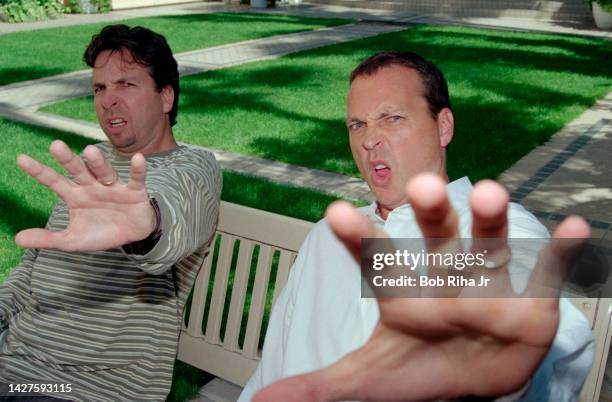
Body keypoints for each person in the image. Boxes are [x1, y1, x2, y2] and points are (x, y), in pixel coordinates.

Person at [239, 52, 593, 402]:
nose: (368, 140)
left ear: (443, 127)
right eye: (357, 124)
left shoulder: (496, 233)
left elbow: (553, 337)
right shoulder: (326, 237)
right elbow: (272, 368)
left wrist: (513, 378)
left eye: (391, 118)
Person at [0, 25, 221, 401]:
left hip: (78, 387)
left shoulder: (192, 169)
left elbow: (172, 223)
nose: (108, 101)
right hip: (15, 362)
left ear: (166, 96)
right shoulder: (93, 166)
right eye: (100, 89)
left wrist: (145, 228)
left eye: (126, 85)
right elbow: (34, 269)